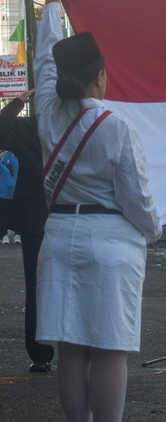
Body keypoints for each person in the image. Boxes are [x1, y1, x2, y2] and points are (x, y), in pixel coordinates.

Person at [35, 0, 162, 422]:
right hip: (110, 239)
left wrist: (51, 0)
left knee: (71, 350)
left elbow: (45, 60)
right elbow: (137, 199)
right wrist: (153, 229)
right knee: (110, 350)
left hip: (59, 235)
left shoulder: (49, 114)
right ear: (101, 76)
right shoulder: (117, 128)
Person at [0, 90, 54, 372]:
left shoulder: (23, 127)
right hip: (68, 215)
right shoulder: (72, 126)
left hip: (36, 219)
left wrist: (19, 101)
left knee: (37, 286)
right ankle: (78, 349)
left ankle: (41, 352)